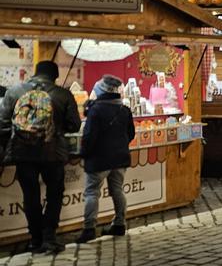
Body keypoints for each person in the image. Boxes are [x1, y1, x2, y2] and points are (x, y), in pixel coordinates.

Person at [0, 61, 81, 254]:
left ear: (35, 73)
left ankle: (35, 239)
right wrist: (57, 125)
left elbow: (2, 124)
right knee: (54, 194)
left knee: (30, 196)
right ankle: (49, 238)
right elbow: (75, 125)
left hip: (23, 152)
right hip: (53, 152)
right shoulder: (63, 94)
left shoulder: (14, 92)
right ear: (55, 76)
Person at [77, 75, 136, 244]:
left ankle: (89, 229)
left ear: (100, 90)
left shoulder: (96, 110)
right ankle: (119, 224)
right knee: (117, 189)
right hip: (120, 158)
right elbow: (130, 134)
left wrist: (84, 153)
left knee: (91, 192)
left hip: (99, 160)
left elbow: (89, 137)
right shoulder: (124, 109)